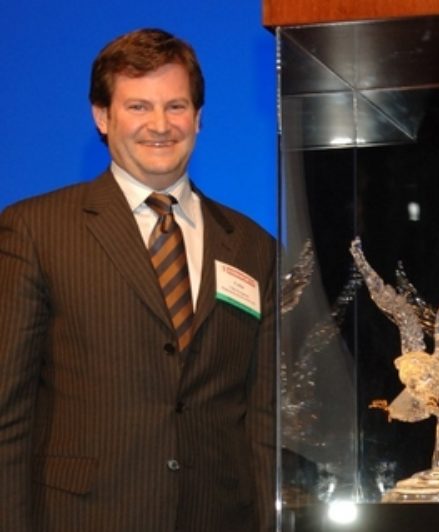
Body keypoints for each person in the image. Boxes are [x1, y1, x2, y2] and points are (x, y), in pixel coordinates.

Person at [0, 29, 275, 531]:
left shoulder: (255, 247)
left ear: (198, 117)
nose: (160, 125)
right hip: (81, 518)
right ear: (102, 117)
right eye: (138, 107)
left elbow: (262, 419)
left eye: (176, 106)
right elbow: (7, 413)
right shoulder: (35, 230)